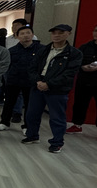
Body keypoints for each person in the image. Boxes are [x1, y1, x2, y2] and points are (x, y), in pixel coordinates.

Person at [23, 24, 82, 153]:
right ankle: (32, 136)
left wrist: (49, 84)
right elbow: (32, 68)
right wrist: (38, 81)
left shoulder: (74, 53)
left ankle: (57, 142)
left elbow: (69, 74)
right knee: (32, 114)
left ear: (68, 34)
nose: (56, 35)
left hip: (57, 90)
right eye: (54, 33)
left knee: (57, 117)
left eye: (60, 33)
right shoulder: (43, 50)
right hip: (38, 86)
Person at [0, 25, 42, 134]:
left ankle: (27, 125)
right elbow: (6, 65)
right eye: (22, 34)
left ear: (32, 35)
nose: (25, 35)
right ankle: (5, 122)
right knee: (9, 102)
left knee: (29, 105)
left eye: (28, 33)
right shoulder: (12, 50)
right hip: (14, 80)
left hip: (31, 82)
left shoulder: (41, 49)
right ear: (17, 36)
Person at [67, 24, 97, 134]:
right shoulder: (85, 47)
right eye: (95, 30)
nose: (96, 33)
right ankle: (77, 125)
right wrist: (83, 67)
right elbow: (76, 61)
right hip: (84, 80)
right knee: (80, 104)